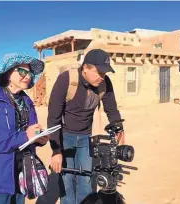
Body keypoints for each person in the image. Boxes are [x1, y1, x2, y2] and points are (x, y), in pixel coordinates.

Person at [0, 53, 49, 204]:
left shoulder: (27, 101)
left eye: (30, 73)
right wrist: (25, 136)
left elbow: (30, 131)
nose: (28, 76)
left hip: (20, 175)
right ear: (8, 72)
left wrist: (39, 138)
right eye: (22, 71)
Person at [47, 49, 125, 204]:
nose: (102, 78)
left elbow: (112, 109)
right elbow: (53, 116)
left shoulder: (105, 83)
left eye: (104, 73)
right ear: (85, 68)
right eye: (98, 72)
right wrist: (56, 150)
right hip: (65, 137)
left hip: (85, 138)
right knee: (67, 181)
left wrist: (119, 129)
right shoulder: (66, 80)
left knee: (86, 180)